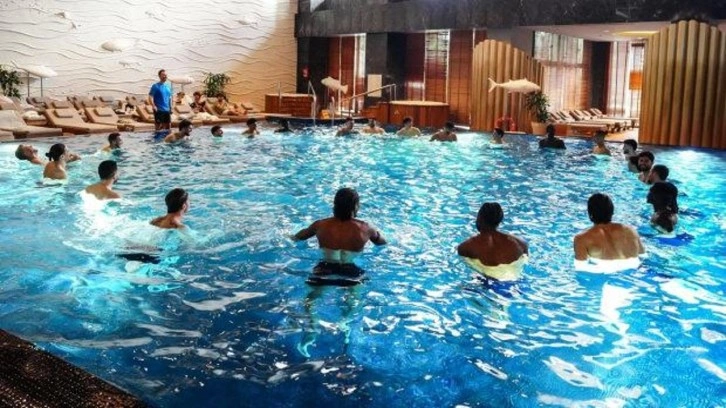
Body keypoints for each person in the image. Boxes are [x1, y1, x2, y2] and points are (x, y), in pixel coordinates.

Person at [292, 188, 386, 279]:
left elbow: (297, 237)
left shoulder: (319, 225)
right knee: (357, 288)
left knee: (313, 289)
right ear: (355, 206)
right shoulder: (366, 228)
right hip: (352, 272)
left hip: (324, 269)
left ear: (335, 205)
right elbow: (382, 243)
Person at [457, 202, 529, 280]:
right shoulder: (521, 243)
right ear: (500, 219)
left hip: (488, 282)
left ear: (479, 218)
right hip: (517, 280)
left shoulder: (466, 247)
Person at [573, 193, 645, 271]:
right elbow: (643, 256)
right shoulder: (630, 230)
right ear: (612, 210)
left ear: (590, 212)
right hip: (634, 267)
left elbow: (580, 267)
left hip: (605, 271)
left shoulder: (582, 238)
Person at [15, 144, 80, 165]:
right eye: (29, 147)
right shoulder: (35, 161)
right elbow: (53, 166)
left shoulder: (36, 159)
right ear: (26, 153)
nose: (31, 145)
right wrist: (70, 160)